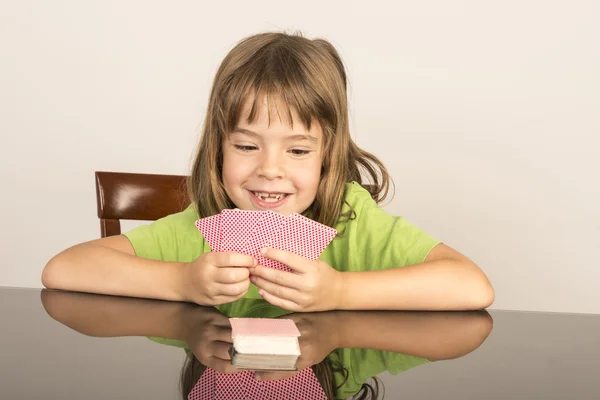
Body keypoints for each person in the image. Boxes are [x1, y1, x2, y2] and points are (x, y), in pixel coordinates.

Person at [42, 31, 495, 312]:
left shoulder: (352, 220)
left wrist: (339, 293)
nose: (270, 169)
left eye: (297, 150)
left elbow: (472, 286)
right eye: (245, 145)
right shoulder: (200, 226)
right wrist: (182, 281)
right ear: (216, 148)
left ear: (327, 156)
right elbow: (63, 269)